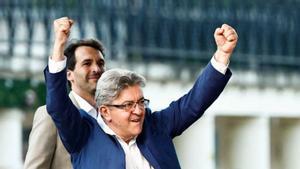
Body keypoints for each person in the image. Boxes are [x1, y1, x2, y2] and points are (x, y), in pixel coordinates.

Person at [45, 16, 237, 168]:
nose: (138, 110)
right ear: (105, 111)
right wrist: (59, 45)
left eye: (140, 102)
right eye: (128, 105)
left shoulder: (155, 126)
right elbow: (57, 106)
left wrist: (222, 54)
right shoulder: (84, 135)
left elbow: (195, 103)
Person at [23, 17, 106, 169]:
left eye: (100, 63)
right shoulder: (48, 116)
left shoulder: (111, 116)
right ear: (69, 74)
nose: (97, 69)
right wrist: (60, 43)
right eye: (87, 63)